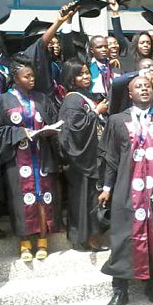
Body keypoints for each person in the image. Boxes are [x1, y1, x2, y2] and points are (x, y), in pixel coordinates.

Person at [99, 76, 153, 305]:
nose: (143, 89)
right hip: (126, 190)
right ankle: (119, 290)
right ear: (130, 94)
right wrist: (106, 187)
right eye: (138, 87)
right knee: (123, 238)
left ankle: (151, 285)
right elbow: (110, 158)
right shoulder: (116, 121)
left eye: (147, 86)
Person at [0, 56, 60, 262]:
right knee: (20, 199)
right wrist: (22, 133)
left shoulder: (41, 98)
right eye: (27, 76)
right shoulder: (3, 100)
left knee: (43, 196)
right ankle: (24, 243)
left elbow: (54, 121)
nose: (32, 79)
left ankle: (42, 240)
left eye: (33, 75)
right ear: (15, 77)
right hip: (17, 158)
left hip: (41, 155)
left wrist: (49, 131)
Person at [58, 58, 109, 251]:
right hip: (82, 161)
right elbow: (74, 129)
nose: (86, 76)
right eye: (80, 74)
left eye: (87, 72)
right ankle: (88, 238)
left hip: (93, 155)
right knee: (86, 199)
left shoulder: (84, 96)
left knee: (92, 197)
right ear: (71, 77)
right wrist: (96, 112)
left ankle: (92, 235)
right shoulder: (72, 100)